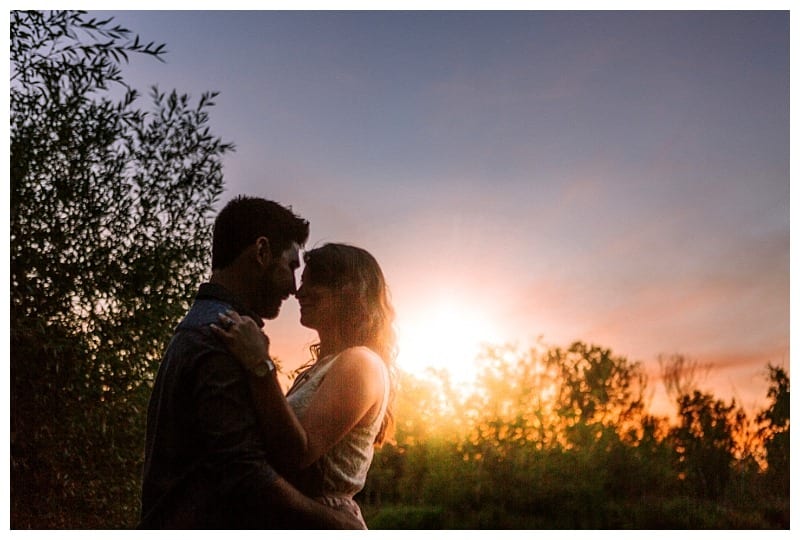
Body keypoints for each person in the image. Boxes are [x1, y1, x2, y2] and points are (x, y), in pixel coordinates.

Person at [139, 196, 361, 529]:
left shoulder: (205, 324)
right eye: (291, 266)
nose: (293, 287)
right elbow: (244, 473)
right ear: (261, 252)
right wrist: (337, 524)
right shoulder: (222, 336)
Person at [211, 242, 397, 529]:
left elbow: (299, 453)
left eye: (314, 282)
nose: (299, 292)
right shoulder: (322, 368)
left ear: (349, 291)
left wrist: (260, 363)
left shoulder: (360, 362)